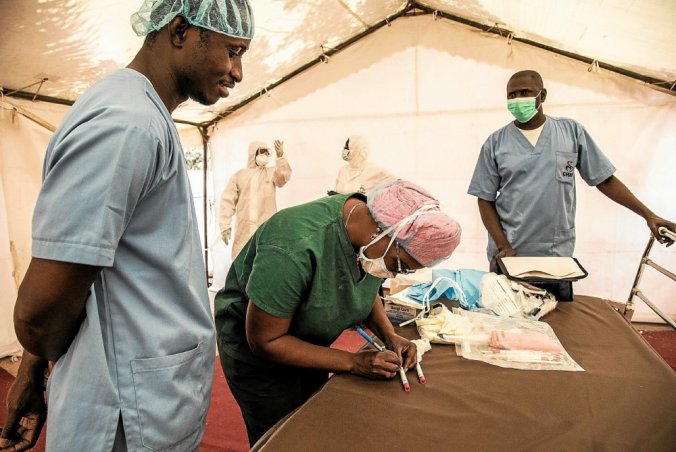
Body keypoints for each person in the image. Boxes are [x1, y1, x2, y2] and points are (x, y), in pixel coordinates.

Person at [0, 1, 254, 450]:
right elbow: (41, 311)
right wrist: (37, 364)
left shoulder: (142, 114)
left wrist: (32, 369)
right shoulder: (128, 123)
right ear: (180, 31)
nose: (238, 73)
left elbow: (92, 262)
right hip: (127, 413)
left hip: (143, 399)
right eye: (232, 51)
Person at [214, 179, 462, 446]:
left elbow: (365, 287)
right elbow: (266, 341)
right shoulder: (293, 245)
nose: (393, 274)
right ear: (381, 232)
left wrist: (389, 334)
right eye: (398, 265)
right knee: (282, 436)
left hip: (307, 337)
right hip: (259, 351)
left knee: (311, 415)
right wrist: (352, 362)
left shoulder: (374, 238)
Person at [467, 69, 675, 271]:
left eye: (525, 92)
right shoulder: (495, 143)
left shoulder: (570, 132)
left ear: (542, 95)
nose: (517, 99)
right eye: (512, 95)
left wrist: (649, 215)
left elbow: (605, 180)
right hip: (510, 252)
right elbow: (484, 199)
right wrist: (504, 246)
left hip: (555, 252)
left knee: (557, 307)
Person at [218, 139, 292, 259]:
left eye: (267, 153)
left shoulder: (271, 172)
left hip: (266, 226)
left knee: (265, 259)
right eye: (261, 152)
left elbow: (283, 178)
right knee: (243, 259)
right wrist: (225, 226)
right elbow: (227, 201)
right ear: (253, 153)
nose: (265, 156)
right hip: (245, 229)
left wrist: (280, 156)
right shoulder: (239, 175)